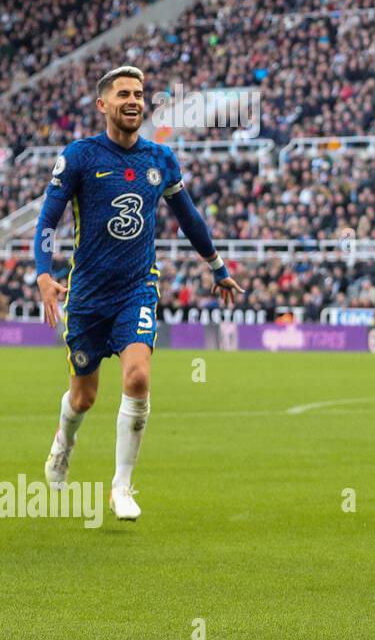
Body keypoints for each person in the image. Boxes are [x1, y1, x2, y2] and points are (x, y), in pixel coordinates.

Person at [35, 66, 243, 520]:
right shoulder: (79, 157)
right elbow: (47, 221)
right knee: (83, 398)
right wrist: (42, 274)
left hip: (137, 290)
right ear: (102, 105)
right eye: (124, 93)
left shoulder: (160, 159)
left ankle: (122, 486)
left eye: (140, 93)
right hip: (87, 295)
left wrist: (217, 265)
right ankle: (62, 444)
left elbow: (188, 216)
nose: (134, 100)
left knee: (138, 379)